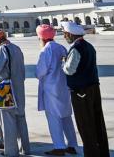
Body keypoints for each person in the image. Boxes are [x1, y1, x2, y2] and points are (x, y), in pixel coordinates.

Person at [61, 21, 109, 157]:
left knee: (85, 124)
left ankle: (92, 154)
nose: (64, 36)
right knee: (97, 122)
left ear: (70, 34)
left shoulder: (76, 48)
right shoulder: (88, 46)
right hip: (93, 87)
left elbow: (70, 70)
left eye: (65, 34)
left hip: (81, 91)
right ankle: (102, 152)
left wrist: (63, 63)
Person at [35, 24, 78, 156]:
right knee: (66, 117)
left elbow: (40, 71)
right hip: (64, 87)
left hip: (51, 89)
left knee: (54, 118)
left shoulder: (46, 50)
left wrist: (38, 74)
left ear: (42, 37)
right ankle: (72, 145)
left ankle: (59, 146)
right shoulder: (61, 47)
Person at [0, 29, 30, 157]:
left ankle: (11, 151)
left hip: (5, 89)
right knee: (21, 118)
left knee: (8, 120)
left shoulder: (1, 50)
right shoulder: (16, 48)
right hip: (18, 87)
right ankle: (25, 148)